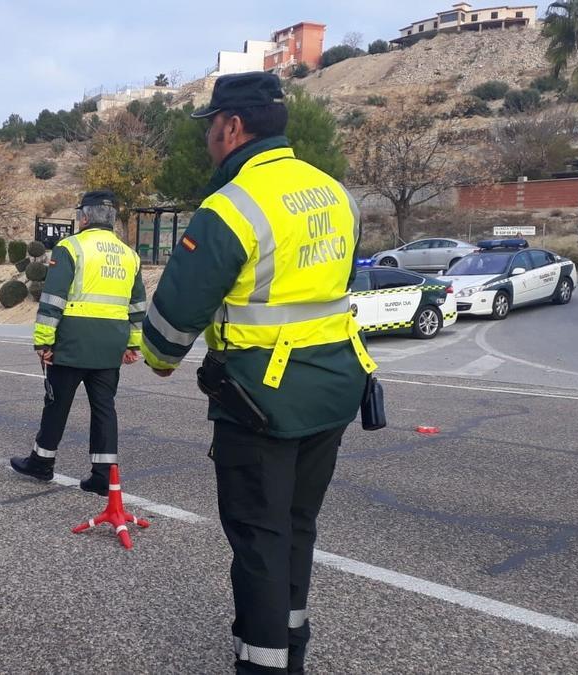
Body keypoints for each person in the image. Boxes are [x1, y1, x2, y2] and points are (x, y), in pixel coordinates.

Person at [139, 72, 377, 674]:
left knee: (258, 535)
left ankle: (264, 663)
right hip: (337, 385)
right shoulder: (336, 194)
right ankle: (293, 640)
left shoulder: (233, 205)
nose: (209, 141)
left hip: (262, 399)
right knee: (298, 523)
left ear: (233, 126)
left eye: (211, 129)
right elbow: (340, 285)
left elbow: (169, 327)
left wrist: (160, 359)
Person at [10, 190, 146, 496]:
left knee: (57, 404)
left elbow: (53, 299)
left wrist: (43, 341)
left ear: (85, 216)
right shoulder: (129, 255)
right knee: (104, 408)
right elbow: (138, 306)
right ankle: (102, 475)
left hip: (72, 342)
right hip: (111, 343)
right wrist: (133, 344)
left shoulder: (70, 247)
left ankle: (42, 462)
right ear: (111, 218)